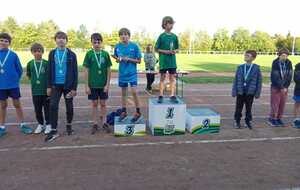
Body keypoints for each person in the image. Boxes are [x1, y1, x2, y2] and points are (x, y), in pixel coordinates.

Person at [45, 31, 78, 142]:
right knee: (53, 105)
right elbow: (49, 70)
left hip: (68, 85)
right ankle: (54, 130)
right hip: (55, 85)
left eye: (63, 38)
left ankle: (69, 125)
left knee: (69, 107)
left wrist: (74, 88)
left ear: (66, 40)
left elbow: (75, 72)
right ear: (55, 40)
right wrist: (49, 85)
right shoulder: (52, 53)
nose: (61, 40)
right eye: (58, 38)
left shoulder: (72, 54)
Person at [0, 32, 33, 137]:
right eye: (1, 40)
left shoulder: (13, 55)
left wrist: (15, 80)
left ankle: (23, 124)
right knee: (3, 105)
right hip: (1, 86)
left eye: (6, 41)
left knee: (17, 104)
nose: (3, 43)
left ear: (9, 43)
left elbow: (19, 70)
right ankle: (2, 127)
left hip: (13, 85)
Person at [83, 33, 112, 134]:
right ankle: (95, 123)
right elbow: (86, 70)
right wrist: (86, 86)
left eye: (98, 42)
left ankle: (104, 122)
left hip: (103, 85)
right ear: (91, 43)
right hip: (92, 85)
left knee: (103, 103)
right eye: (94, 42)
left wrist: (107, 85)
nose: (96, 44)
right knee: (94, 104)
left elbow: (109, 70)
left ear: (101, 43)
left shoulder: (105, 54)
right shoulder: (89, 54)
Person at [112, 28, 142, 123]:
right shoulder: (117, 46)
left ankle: (138, 112)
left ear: (129, 36)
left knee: (134, 92)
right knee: (123, 93)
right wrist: (117, 59)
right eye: (121, 35)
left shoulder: (135, 46)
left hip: (132, 74)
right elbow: (117, 58)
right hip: (122, 74)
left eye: (125, 34)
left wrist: (128, 59)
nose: (123, 36)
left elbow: (139, 61)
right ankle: (124, 111)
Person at [232, 50, 262, 129]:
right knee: (238, 107)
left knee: (249, 107)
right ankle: (237, 121)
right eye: (245, 55)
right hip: (240, 91)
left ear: (253, 58)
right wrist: (234, 90)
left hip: (250, 92)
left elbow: (259, 81)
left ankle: (248, 121)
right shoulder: (240, 67)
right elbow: (235, 80)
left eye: (248, 55)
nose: (245, 56)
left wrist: (257, 92)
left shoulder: (256, 68)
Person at [26, 43, 51, 134]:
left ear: (42, 52)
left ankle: (48, 124)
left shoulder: (46, 63)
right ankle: (40, 124)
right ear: (32, 52)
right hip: (35, 91)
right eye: (35, 51)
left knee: (47, 109)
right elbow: (28, 75)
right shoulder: (30, 64)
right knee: (37, 109)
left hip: (45, 91)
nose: (37, 53)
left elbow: (49, 76)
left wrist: (49, 87)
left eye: (39, 51)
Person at [155, 16, 179, 104]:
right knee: (162, 78)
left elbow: (177, 49)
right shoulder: (161, 36)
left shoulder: (175, 37)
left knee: (172, 79)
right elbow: (156, 49)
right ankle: (160, 95)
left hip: (172, 62)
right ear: (164, 25)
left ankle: (172, 95)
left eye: (172, 23)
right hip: (164, 62)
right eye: (169, 23)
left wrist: (174, 51)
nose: (171, 25)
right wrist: (166, 52)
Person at [268, 48, 293, 127]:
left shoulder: (289, 63)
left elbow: (290, 75)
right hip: (276, 87)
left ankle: (279, 118)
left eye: (286, 56)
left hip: (285, 88)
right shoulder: (275, 63)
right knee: (275, 104)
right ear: (279, 55)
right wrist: (281, 87)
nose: (284, 57)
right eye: (282, 55)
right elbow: (275, 76)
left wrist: (286, 86)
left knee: (282, 104)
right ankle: (272, 119)